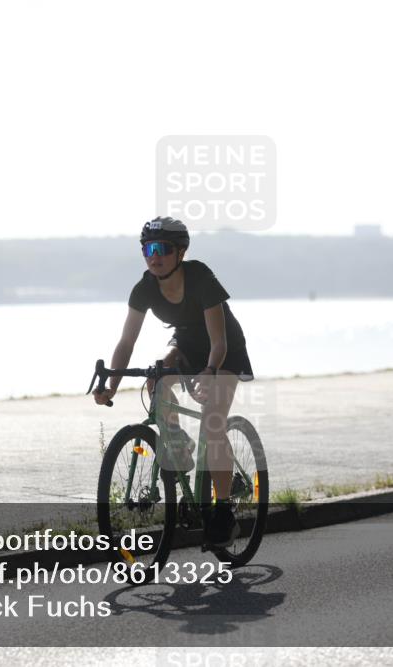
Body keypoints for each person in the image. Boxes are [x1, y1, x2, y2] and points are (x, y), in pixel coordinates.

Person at [92, 217, 254, 547]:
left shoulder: (200, 277)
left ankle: (222, 512)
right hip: (185, 348)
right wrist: (112, 384)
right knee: (156, 384)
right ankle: (180, 448)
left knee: (212, 423)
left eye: (162, 249)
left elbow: (219, 341)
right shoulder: (145, 287)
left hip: (224, 352)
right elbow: (126, 342)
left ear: (181, 252)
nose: (154, 256)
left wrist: (210, 371)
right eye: (148, 249)